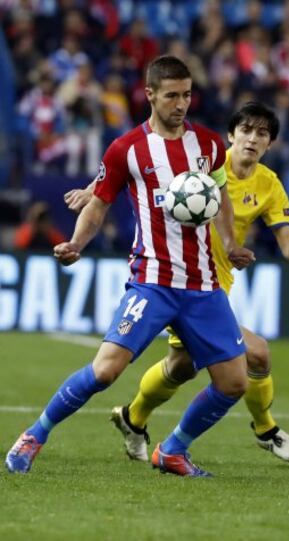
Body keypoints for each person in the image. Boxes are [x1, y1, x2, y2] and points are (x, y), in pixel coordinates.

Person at [5, 55, 255, 478]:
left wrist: (230, 243)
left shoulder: (210, 145)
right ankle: (34, 434)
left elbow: (220, 198)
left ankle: (172, 450)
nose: (181, 104)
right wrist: (77, 243)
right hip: (152, 282)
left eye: (188, 94)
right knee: (106, 370)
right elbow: (98, 203)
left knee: (234, 382)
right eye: (172, 95)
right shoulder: (127, 150)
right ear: (151, 94)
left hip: (202, 286)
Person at [65, 102, 289, 466]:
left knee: (181, 366)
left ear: (270, 144)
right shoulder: (203, 159)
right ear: (231, 135)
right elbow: (139, 165)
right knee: (256, 354)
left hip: (216, 286)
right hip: (182, 279)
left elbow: (288, 244)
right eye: (246, 130)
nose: (252, 139)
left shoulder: (269, 185)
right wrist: (93, 190)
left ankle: (133, 417)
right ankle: (266, 429)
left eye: (262, 134)